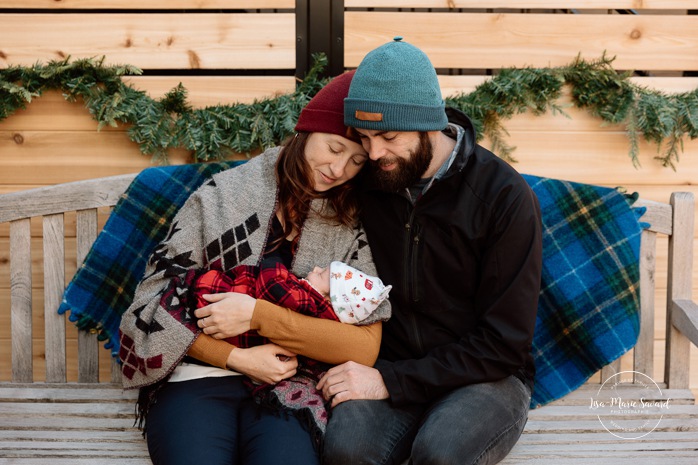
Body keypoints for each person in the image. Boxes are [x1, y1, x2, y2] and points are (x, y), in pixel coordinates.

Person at [118, 70, 391, 465]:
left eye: (356, 161)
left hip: (292, 386)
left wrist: (259, 317)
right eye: (333, 148)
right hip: (198, 377)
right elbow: (147, 312)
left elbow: (363, 347)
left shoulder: (349, 224)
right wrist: (238, 359)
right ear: (305, 131)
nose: (339, 169)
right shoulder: (222, 197)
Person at [318, 37, 543, 465]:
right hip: (388, 361)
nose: (373, 153)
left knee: (439, 455)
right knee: (345, 451)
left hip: (485, 377)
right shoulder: (370, 181)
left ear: (429, 124)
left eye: (388, 136)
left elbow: (504, 345)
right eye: (364, 137)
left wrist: (392, 381)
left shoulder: (503, 197)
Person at [187, 260, 392, 445]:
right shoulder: (326, 316)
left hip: (213, 316)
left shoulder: (308, 300)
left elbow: (271, 284)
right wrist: (235, 358)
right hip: (206, 370)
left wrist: (257, 311)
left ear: (330, 299)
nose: (315, 268)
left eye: (323, 275)